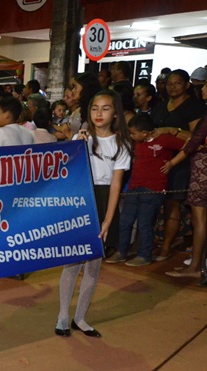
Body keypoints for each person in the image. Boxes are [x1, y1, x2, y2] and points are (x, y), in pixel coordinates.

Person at [56, 90, 131, 338]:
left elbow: (116, 184)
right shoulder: (81, 138)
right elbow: (67, 171)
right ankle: (63, 316)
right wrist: (78, 144)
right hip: (80, 200)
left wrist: (108, 218)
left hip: (104, 200)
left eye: (105, 108)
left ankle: (80, 318)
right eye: (95, 108)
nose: (99, 113)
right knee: (72, 263)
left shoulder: (122, 143)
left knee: (93, 266)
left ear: (115, 113)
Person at [106, 113, 185, 267]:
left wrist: (172, 163)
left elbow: (188, 147)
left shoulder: (164, 139)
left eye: (133, 133)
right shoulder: (136, 142)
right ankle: (121, 251)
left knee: (144, 223)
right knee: (125, 221)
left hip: (154, 189)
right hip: (134, 187)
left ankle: (144, 255)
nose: (131, 136)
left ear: (145, 133)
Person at [150, 69, 207, 261]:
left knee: (172, 203)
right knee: (158, 204)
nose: (172, 87)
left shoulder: (194, 107)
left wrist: (172, 131)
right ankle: (159, 242)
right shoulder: (161, 106)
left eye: (177, 83)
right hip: (159, 160)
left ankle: (167, 247)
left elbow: (196, 138)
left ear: (187, 85)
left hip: (181, 162)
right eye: (169, 83)